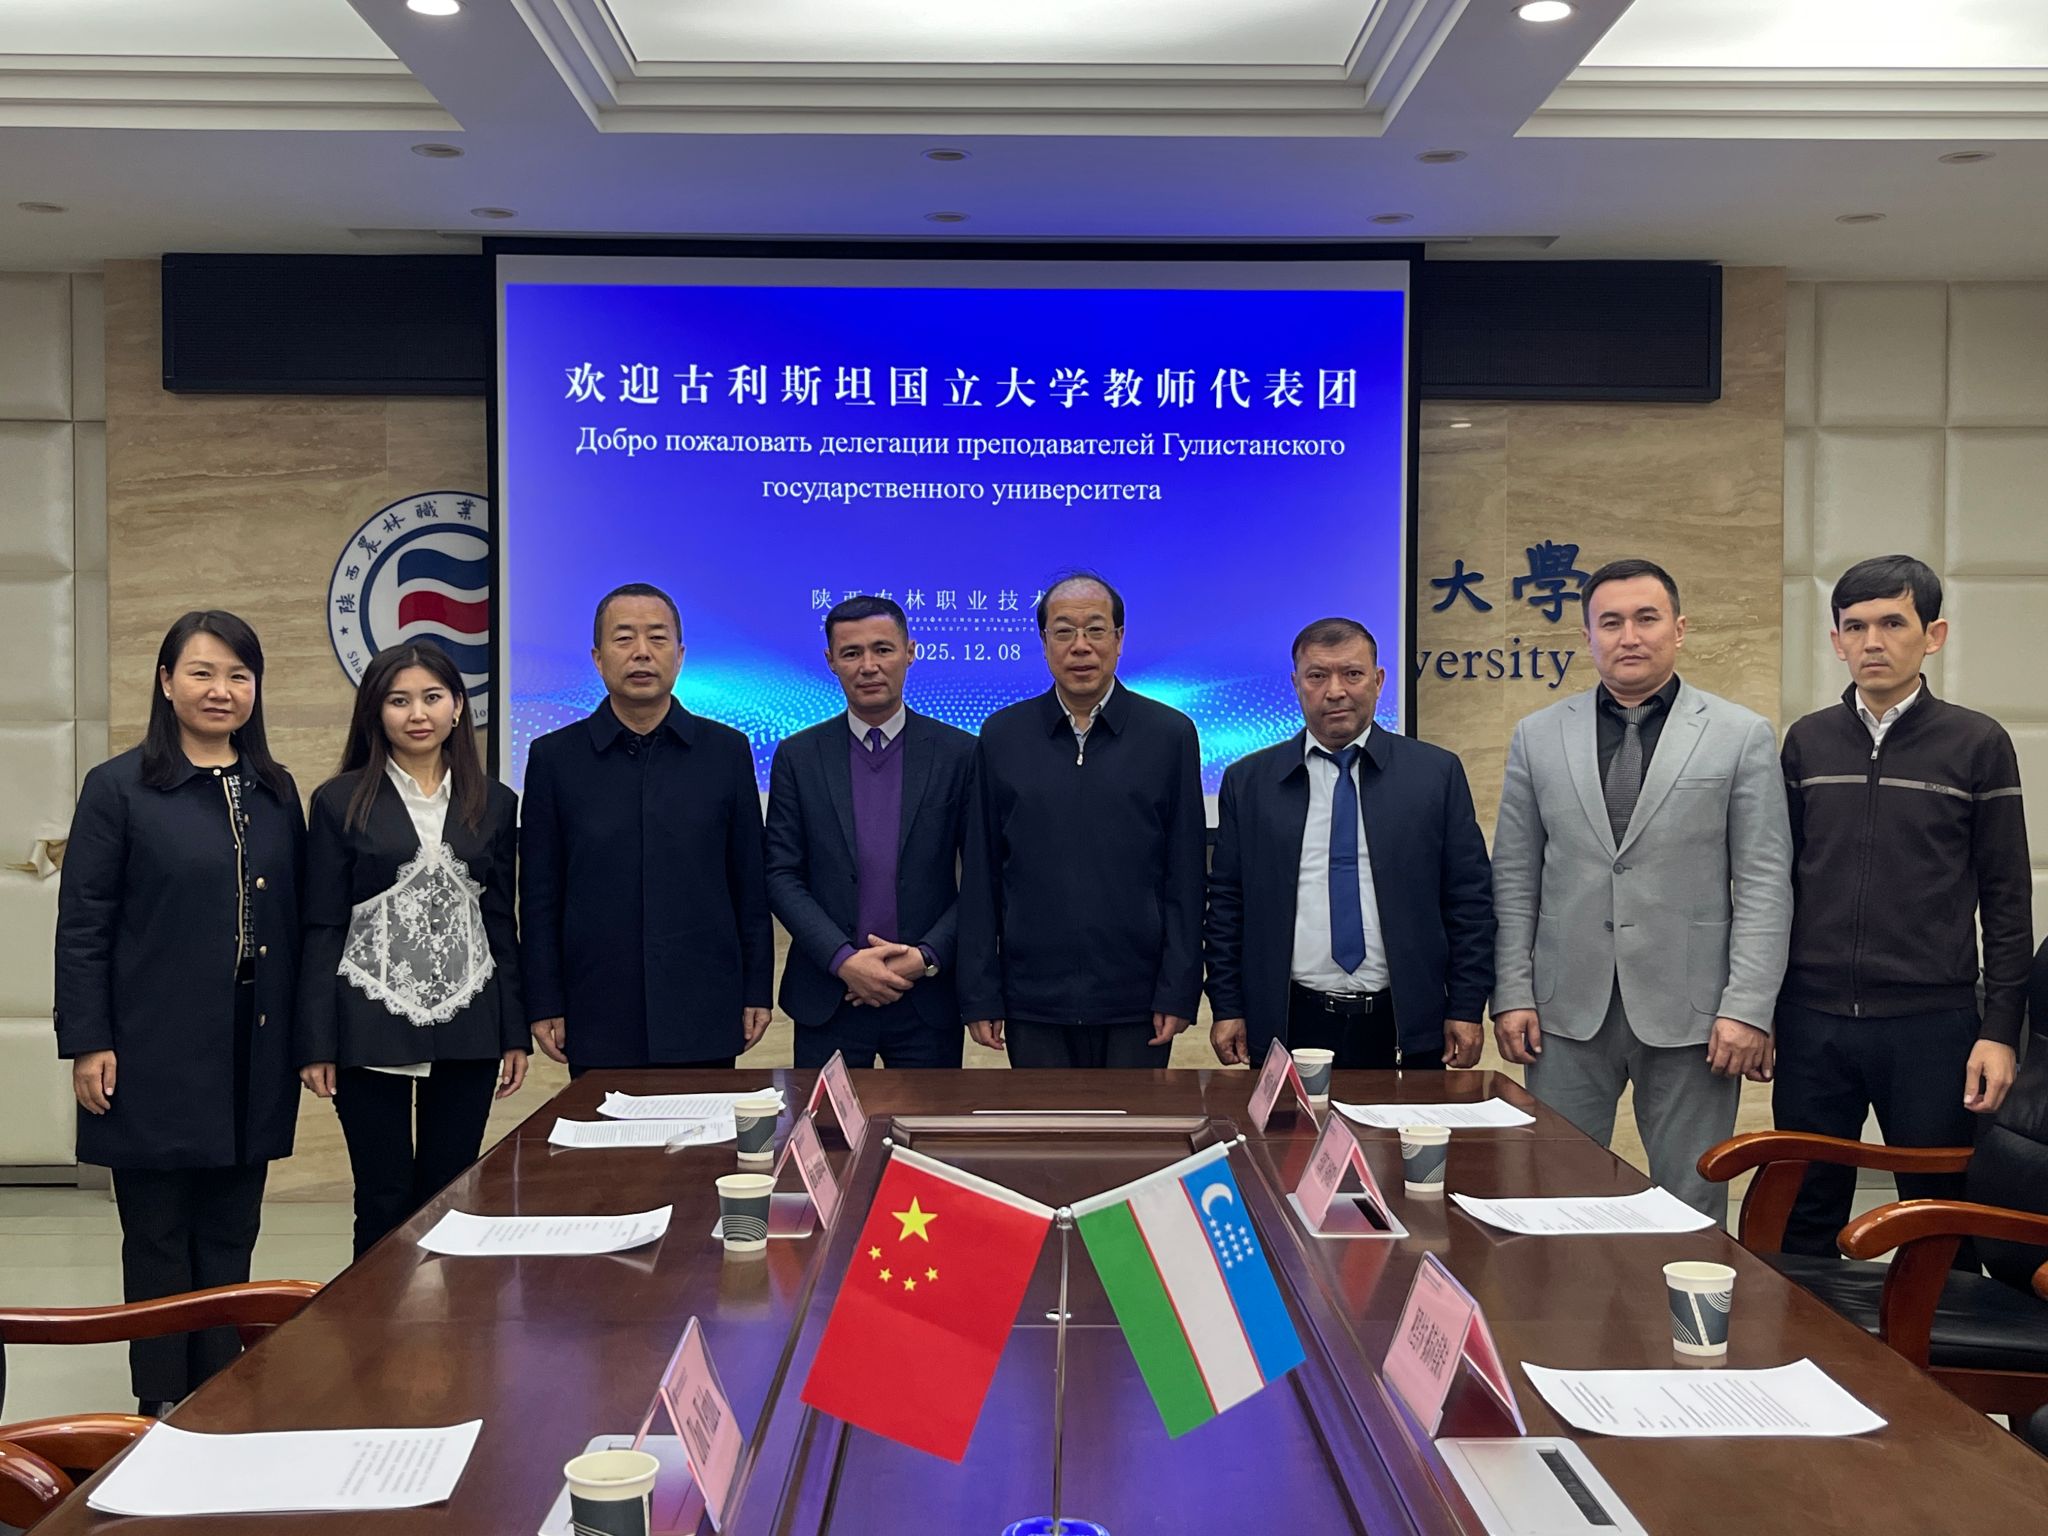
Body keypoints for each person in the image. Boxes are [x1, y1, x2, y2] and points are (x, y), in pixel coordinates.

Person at [54, 611, 305, 1416]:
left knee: (231, 1228)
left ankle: (219, 1391)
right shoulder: (118, 787)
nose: (220, 690)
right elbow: (84, 924)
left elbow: (297, 921)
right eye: (201, 672)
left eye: (237, 675)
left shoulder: (275, 790)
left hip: (251, 1045)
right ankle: (160, 1400)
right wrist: (87, 1038)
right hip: (150, 1045)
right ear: (166, 683)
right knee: (159, 1235)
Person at [1491, 559, 1792, 1222]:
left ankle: (1683, 1300)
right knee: (1554, 1195)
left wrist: (1748, 1007)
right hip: (1565, 1011)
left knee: (1691, 1200)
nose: (1629, 636)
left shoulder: (1739, 735)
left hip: (1695, 1016)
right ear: (1587, 636)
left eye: (1646, 618)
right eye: (1611, 622)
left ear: (1678, 629)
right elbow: (1514, 876)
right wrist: (1512, 991)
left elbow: (1765, 882)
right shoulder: (1538, 735)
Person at [1774, 555, 2032, 1256]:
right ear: (1836, 641)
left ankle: (1935, 1335)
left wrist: (2000, 1029)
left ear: (1933, 635)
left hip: (1933, 1025)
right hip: (1812, 1021)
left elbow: (2007, 897)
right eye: (1855, 627)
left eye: (1893, 623)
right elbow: (1777, 885)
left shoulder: (1977, 743)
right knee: (1802, 1214)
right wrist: (1763, 1008)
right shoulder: (1806, 742)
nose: (1872, 642)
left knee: (1939, 1219)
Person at [295, 644, 529, 1257]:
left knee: (453, 1193)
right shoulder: (338, 800)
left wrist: (513, 1031)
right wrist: (316, 1041)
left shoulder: (496, 802)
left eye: (432, 698)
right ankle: (375, 1319)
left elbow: (499, 922)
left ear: (458, 707)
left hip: (470, 1022)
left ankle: (451, 1315)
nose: (417, 714)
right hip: (368, 1020)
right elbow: (322, 925)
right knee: (383, 1196)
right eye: (399, 700)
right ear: (376, 711)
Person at [1206, 618, 1494, 1072]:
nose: (1335, 691)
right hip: (1290, 1018)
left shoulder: (1434, 775)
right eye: (1317, 676)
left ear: (1378, 681)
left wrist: (1466, 1006)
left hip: (1404, 1020)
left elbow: (1469, 901)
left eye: (1352, 674)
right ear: (1297, 684)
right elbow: (1226, 905)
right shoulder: (1250, 782)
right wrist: (1227, 1006)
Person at [519, 582, 773, 1072]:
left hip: (704, 1004)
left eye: (657, 638)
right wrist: (545, 999)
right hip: (596, 1008)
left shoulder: (726, 752)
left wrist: (756, 989)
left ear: (680, 656)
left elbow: (749, 884)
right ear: (598, 658)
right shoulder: (555, 758)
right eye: (624, 638)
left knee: (705, 1125)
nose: (641, 652)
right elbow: (539, 895)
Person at [958, 572, 1205, 1068]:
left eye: (1095, 629)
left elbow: (1185, 874)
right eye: (1064, 631)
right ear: (1044, 642)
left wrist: (1179, 989)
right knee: (1046, 1120)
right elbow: (982, 874)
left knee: (1134, 1120)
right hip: (1033, 998)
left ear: (1119, 638)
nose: (1080, 646)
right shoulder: (1003, 735)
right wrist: (980, 992)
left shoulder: (1169, 735)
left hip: (1137, 999)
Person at [765, 597, 976, 1069]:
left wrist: (926, 956)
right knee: (824, 1120)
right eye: (851, 652)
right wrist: (842, 959)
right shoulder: (798, 757)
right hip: (829, 994)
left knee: (930, 1119)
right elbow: (780, 874)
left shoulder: (960, 754)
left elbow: (983, 877)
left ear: (910, 652)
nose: (868, 666)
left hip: (927, 996)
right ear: (830, 661)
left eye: (883, 649)